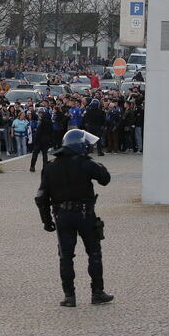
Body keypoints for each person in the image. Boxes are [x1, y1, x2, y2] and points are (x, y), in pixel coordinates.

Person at [35, 129, 113, 307]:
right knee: (93, 253)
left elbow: (41, 197)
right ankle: (97, 292)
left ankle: (69, 296)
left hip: (62, 215)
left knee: (65, 256)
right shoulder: (85, 163)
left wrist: (47, 221)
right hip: (85, 213)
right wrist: (93, 162)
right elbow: (105, 178)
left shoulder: (51, 166)